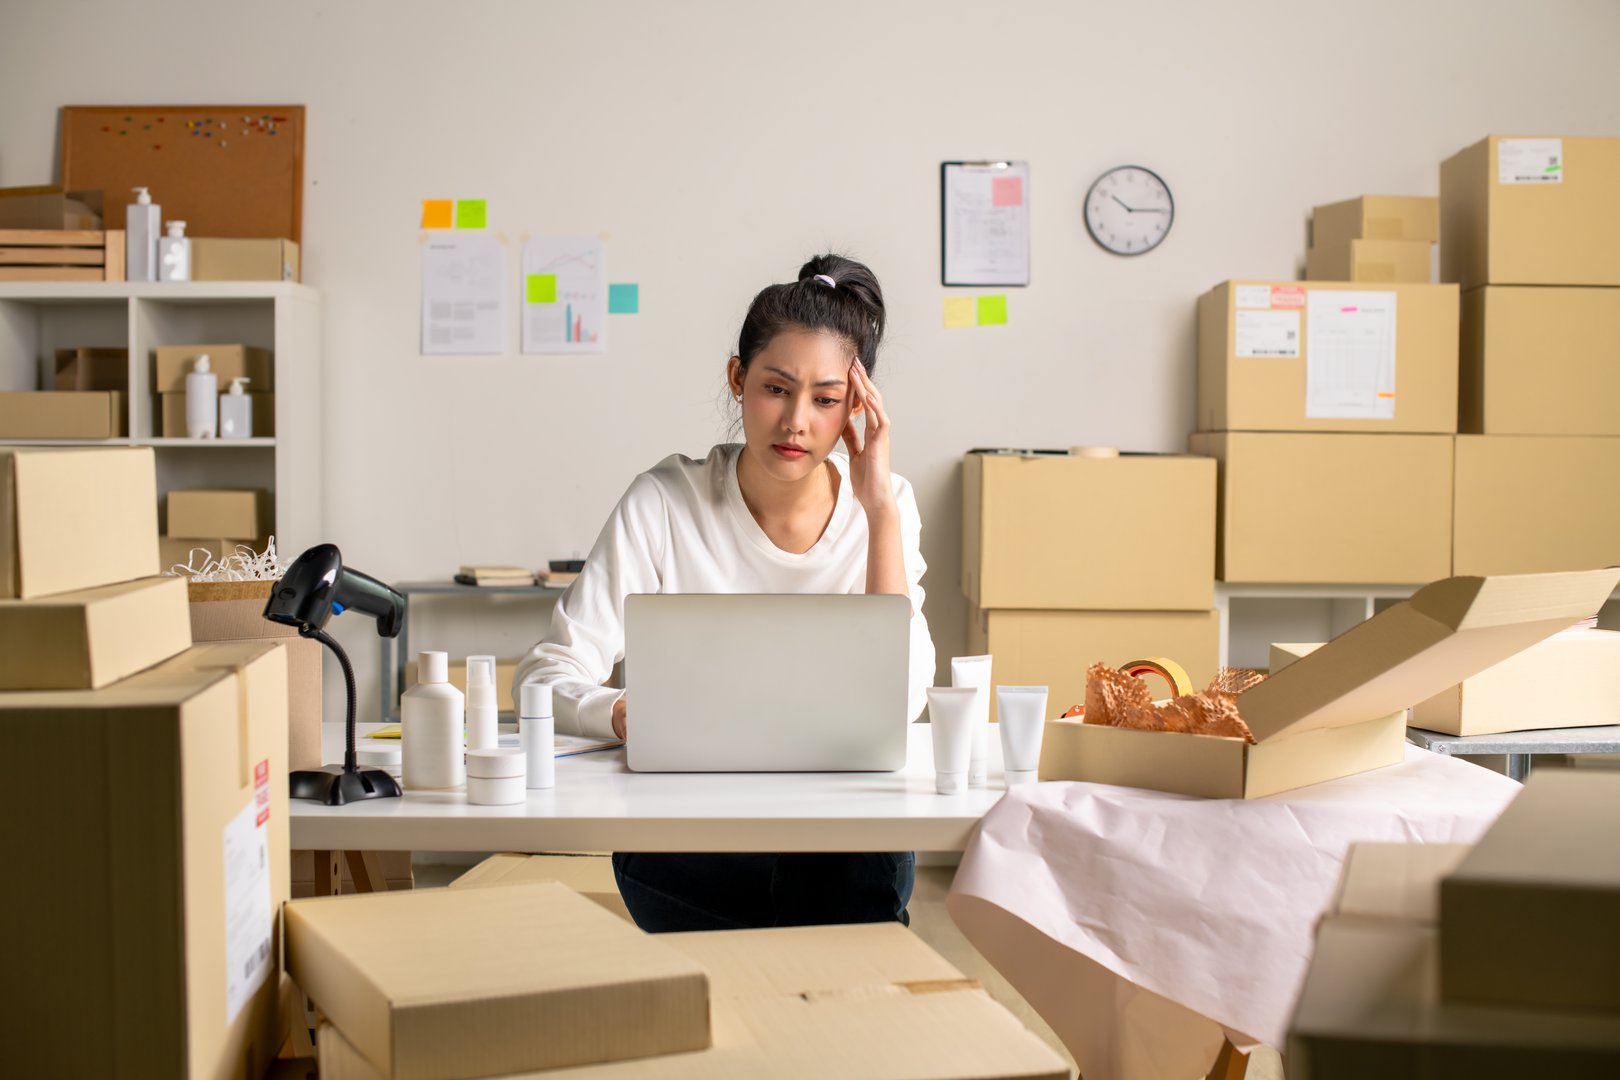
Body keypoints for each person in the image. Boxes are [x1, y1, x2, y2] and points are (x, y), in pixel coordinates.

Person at [513, 253, 935, 932]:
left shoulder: (887, 507)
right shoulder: (665, 502)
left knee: (839, 874)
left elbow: (903, 700)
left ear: (857, 407)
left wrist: (879, 509)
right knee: (836, 922)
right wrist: (618, 712)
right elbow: (543, 677)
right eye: (776, 388)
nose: (796, 421)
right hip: (690, 835)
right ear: (738, 379)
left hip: (838, 832)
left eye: (826, 400)